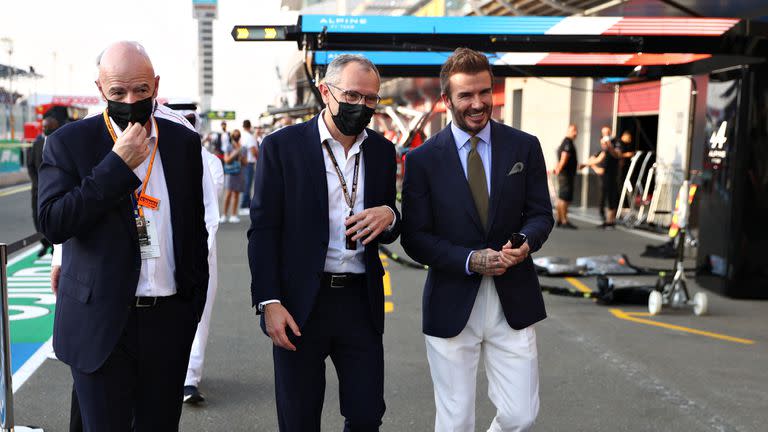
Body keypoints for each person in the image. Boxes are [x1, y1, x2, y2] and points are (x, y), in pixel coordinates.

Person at [37, 41, 208, 431]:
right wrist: (116, 166)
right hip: (100, 324)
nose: (130, 100)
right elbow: (52, 222)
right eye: (118, 92)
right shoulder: (70, 142)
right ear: (100, 90)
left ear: (156, 86)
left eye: (141, 90)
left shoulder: (182, 144)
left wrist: (190, 307)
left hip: (168, 322)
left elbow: (193, 230)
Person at [401, 47, 554, 432]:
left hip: (513, 299)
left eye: (484, 92)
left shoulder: (524, 146)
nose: (478, 103)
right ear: (446, 100)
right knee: (455, 422)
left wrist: (526, 242)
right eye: (466, 95)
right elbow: (416, 238)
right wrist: (471, 259)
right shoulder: (421, 160)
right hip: (452, 299)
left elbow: (541, 214)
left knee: (521, 415)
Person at [247, 54, 400, 431]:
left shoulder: (381, 151)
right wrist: (269, 301)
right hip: (300, 305)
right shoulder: (281, 147)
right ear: (325, 91)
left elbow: (389, 224)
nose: (360, 106)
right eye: (351, 95)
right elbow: (263, 230)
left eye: (370, 99)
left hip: (359, 303)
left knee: (366, 416)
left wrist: (391, 215)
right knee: (299, 419)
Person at [28, 114, 60, 257]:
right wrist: (38, 184)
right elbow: (30, 165)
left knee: (54, 218)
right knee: (37, 218)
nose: (45, 129)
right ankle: (44, 244)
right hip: (37, 189)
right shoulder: (37, 143)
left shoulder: (61, 142)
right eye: (44, 127)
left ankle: (55, 246)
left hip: (56, 189)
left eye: (48, 127)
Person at [553, 124, 579, 229]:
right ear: (568, 131)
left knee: (561, 197)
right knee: (565, 197)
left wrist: (558, 168)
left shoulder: (565, 142)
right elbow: (565, 156)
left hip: (564, 173)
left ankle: (559, 219)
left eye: (576, 131)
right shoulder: (568, 142)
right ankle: (564, 221)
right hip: (566, 174)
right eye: (573, 130)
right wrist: (559, 168)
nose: (575, 133)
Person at [221, 129, 245, 223]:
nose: (236, 136)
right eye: (235, 135)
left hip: (239, 172)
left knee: (236, 194)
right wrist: (235, 152)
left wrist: (241, 156)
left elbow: (245, 162)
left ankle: (234, 215)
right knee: (228, 194)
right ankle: (224, 215)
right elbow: (226, 160)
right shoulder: (228, 147)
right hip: (230, 173)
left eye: (238, 135)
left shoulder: (243, 148)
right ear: (231, 136)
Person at [238, 119, 259, 214]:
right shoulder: (250, 137)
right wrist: (259, 159)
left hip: (243, 162)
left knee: (246, 184)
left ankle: (246, 204)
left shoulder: (242, 136)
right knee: (248, 184)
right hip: (249, 163)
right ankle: (244, 205)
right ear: (250, 126)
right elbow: (253, 150)